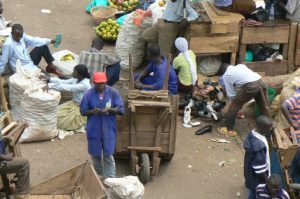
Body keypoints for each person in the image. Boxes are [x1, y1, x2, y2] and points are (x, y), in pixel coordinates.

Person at [80, 72, 124, 178]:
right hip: (94, 127)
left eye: (103, 83)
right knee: (95, 153)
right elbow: (83, 111)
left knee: (108, 154)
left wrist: (110, 109)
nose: (101, 85)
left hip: (108, 127)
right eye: (98, 83)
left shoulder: (113, 92)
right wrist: (92, 111)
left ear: (106, 82)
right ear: (94, 83)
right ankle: (99, 174)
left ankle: (110, 177)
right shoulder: (88, 94)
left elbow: (120, 108)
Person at [217, 63, 264, 137]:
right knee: (264, 106)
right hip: (261, 81)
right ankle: (267, 125)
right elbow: (243, 82)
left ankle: (230, 130)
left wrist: (236, 107)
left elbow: (231, 94)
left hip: (251, 86)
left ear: (223, 72)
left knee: (234, 106)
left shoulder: (226, 75)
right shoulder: (240, 66)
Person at [41, 64, 91, 132]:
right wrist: (50, 79)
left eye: (74, 71)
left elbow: (69, 88)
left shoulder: (85, 85)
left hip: (81, 108)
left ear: (80, 74)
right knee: (52, 114)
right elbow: (64, 82)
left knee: (59, 120)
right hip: (73, 104)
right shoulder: (76, 79)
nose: (72, 73)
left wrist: (50, 85)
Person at [244, 116, 273, 199]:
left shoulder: (252, 133)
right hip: (257, 177)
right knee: (255, 191)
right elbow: (259, 169)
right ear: (262, 128)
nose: (270, 130)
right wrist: (267, 181)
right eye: (269, 128)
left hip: (250, 171)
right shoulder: (259, 146)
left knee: (252, 189)